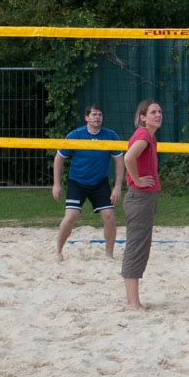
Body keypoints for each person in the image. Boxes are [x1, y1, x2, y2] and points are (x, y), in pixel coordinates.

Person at [52, 104, 122, 260]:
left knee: (109, 216)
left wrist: (117, 186)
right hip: (77, 182)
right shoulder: (75, 135)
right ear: (86, 117)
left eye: (99, 114)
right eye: (94, 114)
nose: (97, 117)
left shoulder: (110, 135)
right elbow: (59, 159)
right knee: (71, 216)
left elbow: (119, 161)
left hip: (99, 183)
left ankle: (109, 254)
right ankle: (58, 251)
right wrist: (56, 184)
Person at [118, 99, 163, 311]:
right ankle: (133, 303)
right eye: (153, 112)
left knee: (139, 247)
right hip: (140, 198)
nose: (158, 115)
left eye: (159, 111)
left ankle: (133, 300)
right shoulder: (144, 135)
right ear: (142, 117)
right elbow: (128, 158)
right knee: (136, 248)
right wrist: (137, 180)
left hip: (145, 198)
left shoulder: (150, 137)